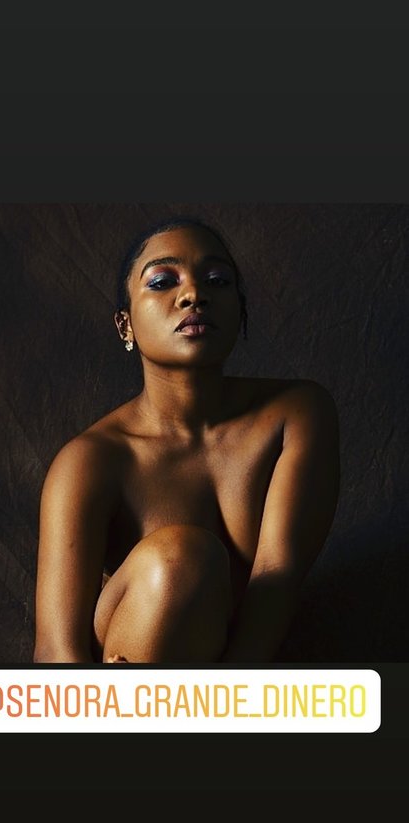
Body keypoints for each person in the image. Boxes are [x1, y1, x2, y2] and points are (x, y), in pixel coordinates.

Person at [33, 216, 340, 664]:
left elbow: (278, 575)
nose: (194, 294)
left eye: (217, 281)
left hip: (236, 682)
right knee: (179, 561)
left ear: (239, 309)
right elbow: (56, 651)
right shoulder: (90, 461)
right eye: (162, 282)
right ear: (125, 325)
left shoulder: (296, 413)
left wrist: (228, 697)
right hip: (127, 688)